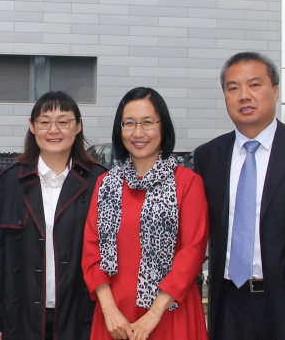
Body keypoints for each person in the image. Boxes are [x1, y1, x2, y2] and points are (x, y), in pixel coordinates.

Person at [192, 52, 285, 339]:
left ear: (275, 91)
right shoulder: (209, 156)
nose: (244, 95)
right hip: (228, 302)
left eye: (254, 85)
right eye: (233, 88)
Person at [82, 87, 208, 340]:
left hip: (171, 312)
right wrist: (109, 310)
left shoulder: (187, 183)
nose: (138, 133)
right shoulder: (106, 184)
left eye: (148, 122)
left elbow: (193, 252)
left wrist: (154, 314)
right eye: (129, 123)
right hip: (115, 318)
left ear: (163, 127)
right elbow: (91, 251)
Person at [0, 91, 105, 340]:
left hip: (82, 315)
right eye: (45, 122)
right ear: (32, 126)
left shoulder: (100, 181)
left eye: (63, 122)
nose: (54, 130)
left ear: (78, 126)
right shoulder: (9, 182)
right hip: (22, 316)